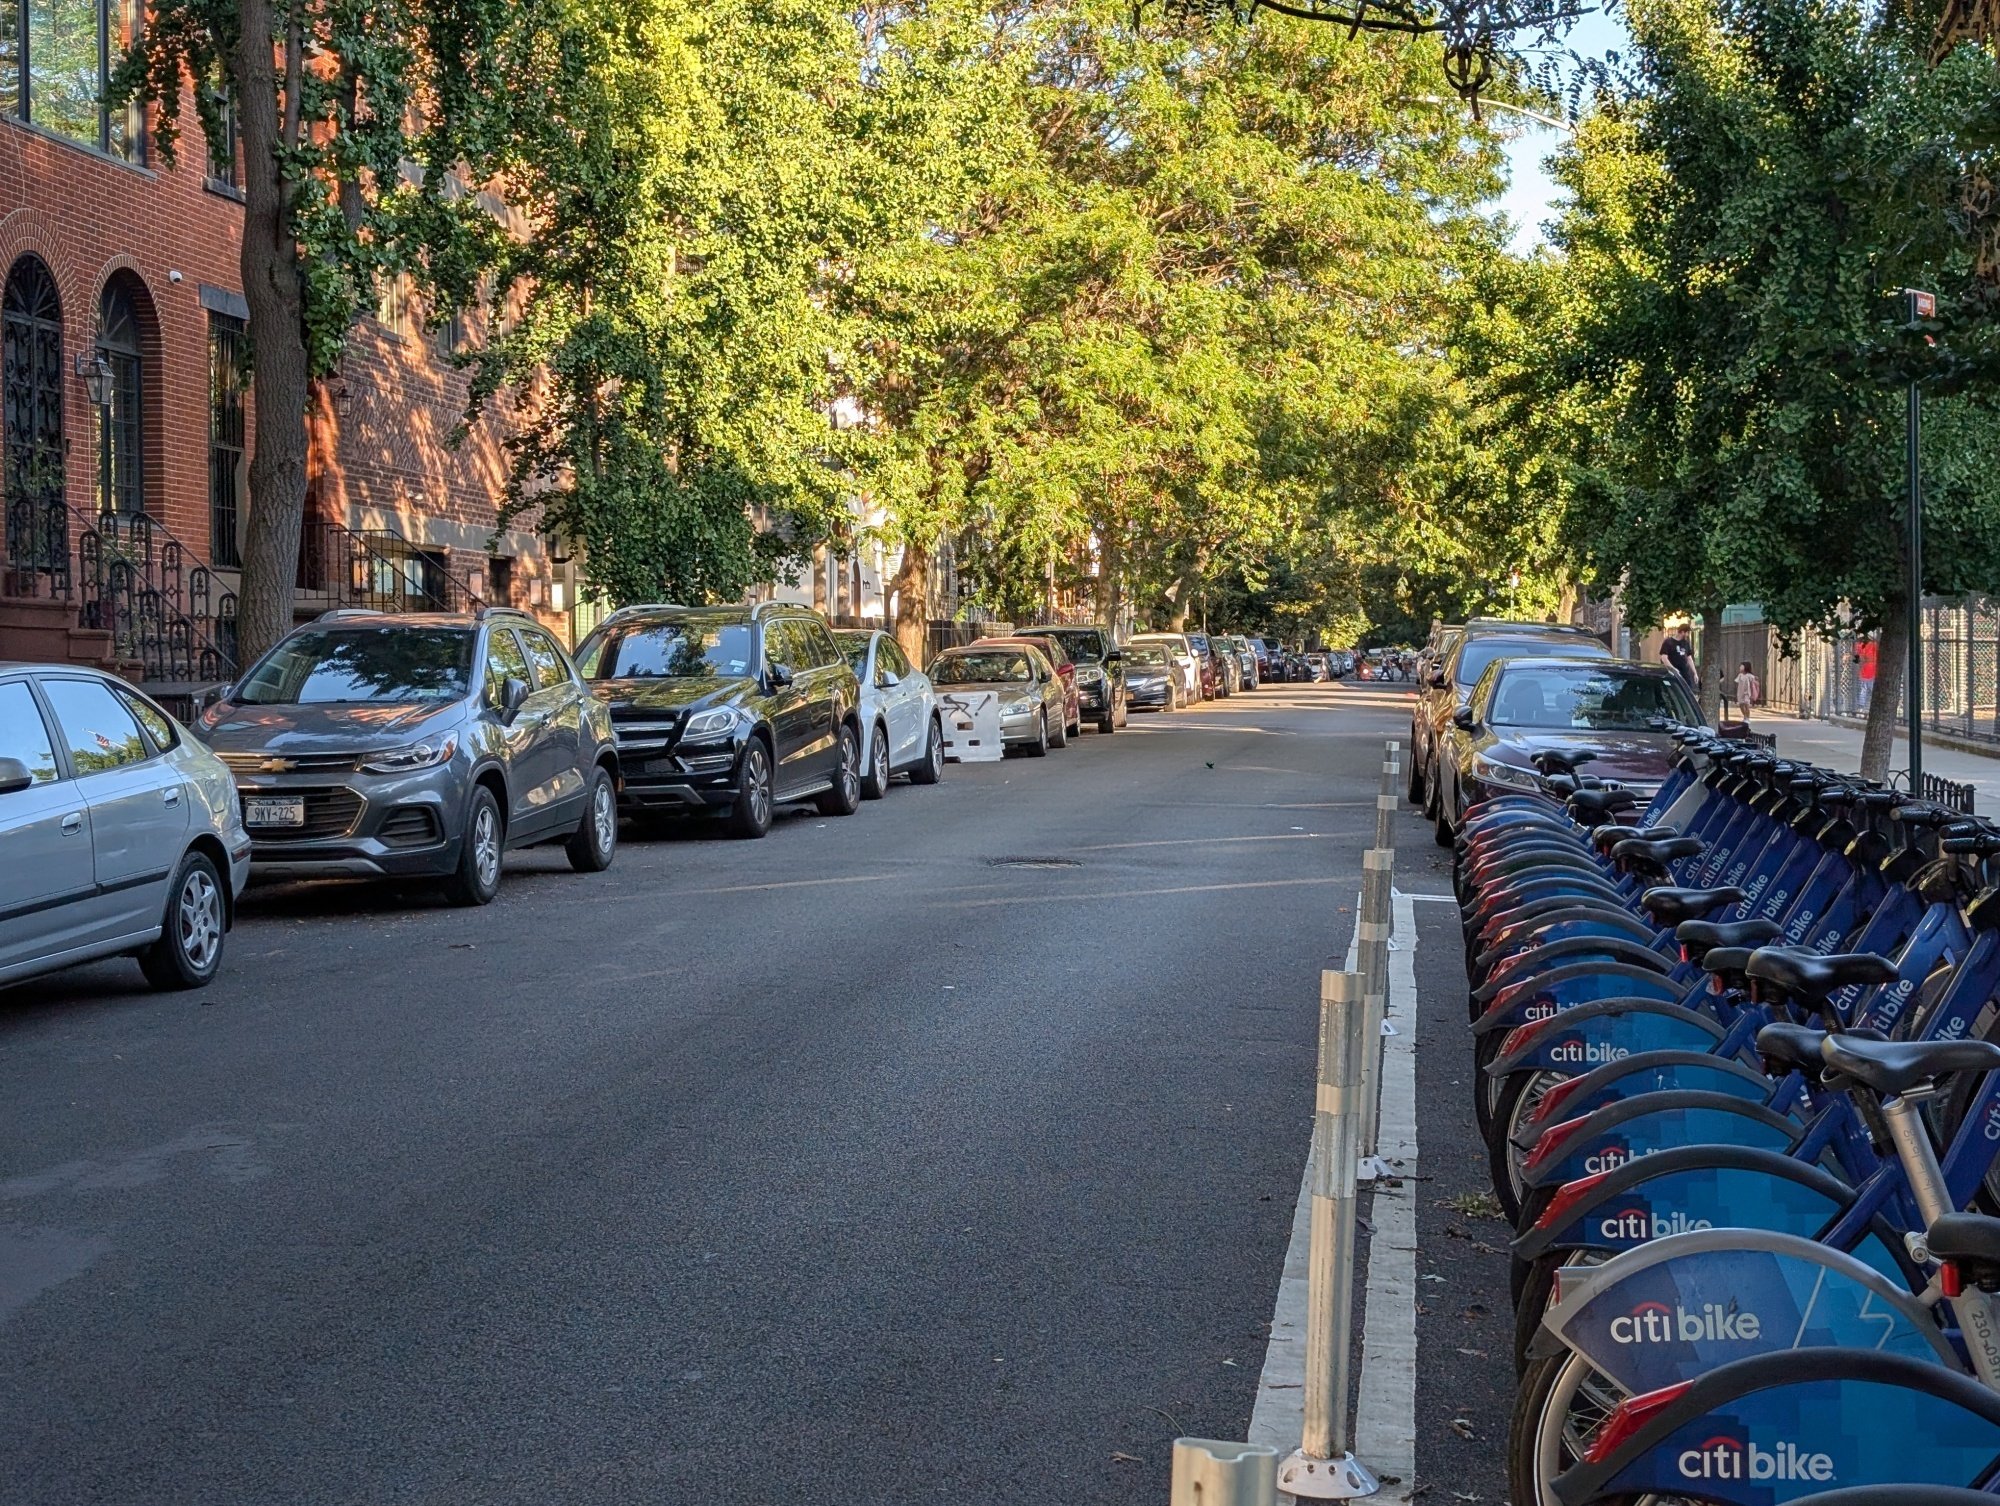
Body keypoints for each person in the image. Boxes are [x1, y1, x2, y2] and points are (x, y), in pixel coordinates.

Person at [1660, 621, 1698, 695]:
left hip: (1684, 673)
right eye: (1687, 632)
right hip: (1672, 673)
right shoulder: (1668, 642)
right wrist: (1673, 669)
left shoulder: (1686, 643)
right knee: (1674, 692)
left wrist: (1694, 673)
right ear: (1683, 632)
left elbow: (1689, 658)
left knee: (1688, 692)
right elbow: (1664, 658)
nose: (1688, 635)